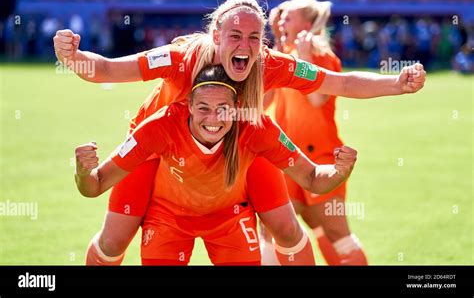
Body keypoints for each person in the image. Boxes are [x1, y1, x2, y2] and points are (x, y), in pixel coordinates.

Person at [54, 0, 426, 266]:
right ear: (216, 34)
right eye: (235, 35)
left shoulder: (270, 65)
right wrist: (72, 57)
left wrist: (397, 84)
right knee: (115, 239)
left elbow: (339, 84)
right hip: (159, 146)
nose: (246, 46)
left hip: (241, 142)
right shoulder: (181, 57)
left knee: (287, 229)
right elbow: (106, 70)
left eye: (254, 37)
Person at [74, 65, 358, 265]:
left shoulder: (256, 125)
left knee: (286, 228)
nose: (213, 119)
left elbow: (312, 177)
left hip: (229, 217)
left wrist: (338, 171)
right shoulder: (159, 125)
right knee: (112, 242)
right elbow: (94, 185)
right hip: (169, 217)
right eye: (203, 109)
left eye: (223, 109)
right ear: (187, 104)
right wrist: (83, 172)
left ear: (236, 107)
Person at [261, 0, 367, 265]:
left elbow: (317, 99)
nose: (281, 19)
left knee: (335, 232)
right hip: (286, 158)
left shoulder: (323, 57)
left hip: (321, 156)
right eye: (281, 16)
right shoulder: (282, 58)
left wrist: (305, 56)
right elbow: (265, 102)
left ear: (306, 25)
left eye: (289, 16)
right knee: (274, 231)